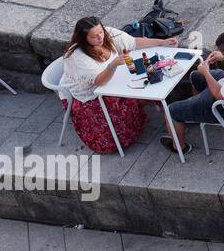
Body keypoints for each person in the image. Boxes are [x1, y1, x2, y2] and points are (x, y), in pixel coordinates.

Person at [61, 16, 180, 153]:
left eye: (101, 32)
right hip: (91, 95)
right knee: (118, 120)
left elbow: (133, 43)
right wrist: (112, 65)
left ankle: (173, 116)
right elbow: (99, 82)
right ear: (83, 39)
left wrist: (162, 42)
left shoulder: (108, 34)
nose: (100, 37)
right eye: (94, 36)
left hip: (115, 80)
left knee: (148, 81)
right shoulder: (78, 57)